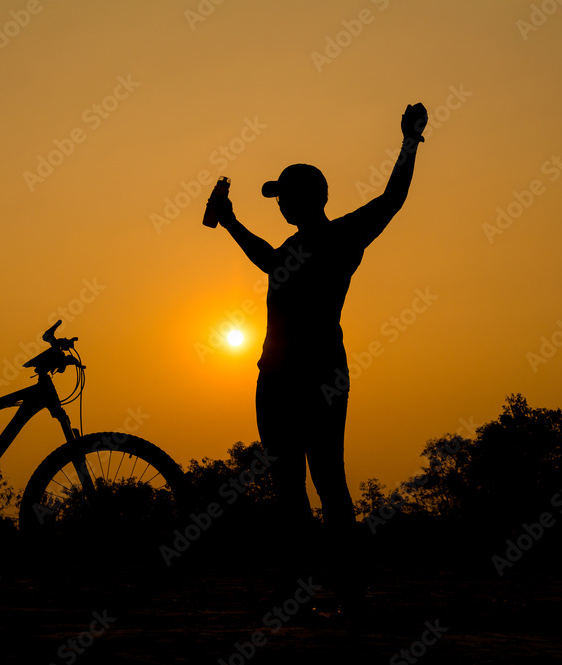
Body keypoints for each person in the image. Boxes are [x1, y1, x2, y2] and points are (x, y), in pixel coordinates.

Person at [208, 103, 427, 611]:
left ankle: (326, 590)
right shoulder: (325, 241)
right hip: (306, 375)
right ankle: (330, 591)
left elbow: (393, 197)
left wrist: (410, 142)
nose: (281, 206)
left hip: (294, 378)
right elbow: (269, 256)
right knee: (315, 482)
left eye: (284, 197)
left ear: (304, 199)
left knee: (308, 483)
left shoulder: (330, 239)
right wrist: (231, 222)